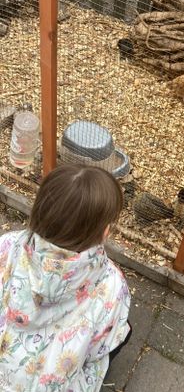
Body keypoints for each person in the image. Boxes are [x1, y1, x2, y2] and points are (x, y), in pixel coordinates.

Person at [0, 164, 131, 392]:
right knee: (123, 330)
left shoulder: (8, 245)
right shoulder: (112, 285)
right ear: (103, 231)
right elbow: (97, 348)